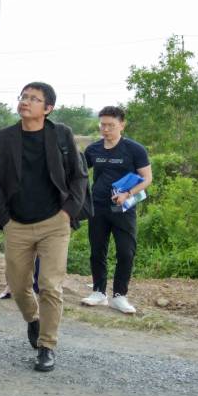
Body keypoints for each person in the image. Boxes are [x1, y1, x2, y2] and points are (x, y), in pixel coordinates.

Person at [0, 82, 89, 372]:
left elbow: (79, 176)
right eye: (24, 96)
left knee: (50, 285)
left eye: (34, 98)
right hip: (16, 223)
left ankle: (47, 346)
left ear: (48, 108)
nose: (26, 101)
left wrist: (68, 212)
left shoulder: (61, 135)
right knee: (18, 286)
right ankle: (33, 319)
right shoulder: (3, 138)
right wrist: (5, 219)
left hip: (55, 222)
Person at [81, 106, 152, 314]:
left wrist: (128, 194)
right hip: (98, 207)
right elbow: (79, 173)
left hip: (123, 208)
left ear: (122, 125)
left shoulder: (135, 149)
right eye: (102, 125)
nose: (105, 129)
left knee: (126, 252)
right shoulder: (93, 150)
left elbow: (147, 178)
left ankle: (120, 295)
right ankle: (99, 292)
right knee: (97, 250)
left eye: (110, 125)